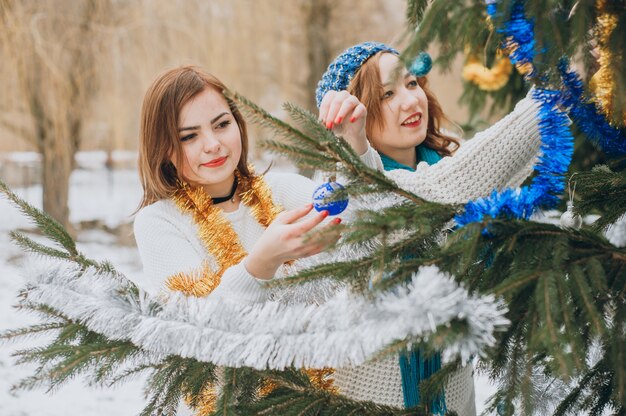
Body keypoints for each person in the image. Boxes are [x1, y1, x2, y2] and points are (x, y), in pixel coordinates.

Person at [316, 42, 545, 415]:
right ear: (354, 114)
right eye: (387, 94)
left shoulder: (445, 161)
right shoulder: (340, 192)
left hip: (454, 394)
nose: (410, 101)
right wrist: (554, 94)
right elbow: (404, 202)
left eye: (411, 84)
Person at [133, 66, 344, 306]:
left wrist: (352, 143)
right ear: (162, 148)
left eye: (221, 124)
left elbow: (366, 220)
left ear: (238, 123)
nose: (213, 144)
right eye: (189, 137)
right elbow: (196, 326)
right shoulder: (158, 222)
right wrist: (260, 265)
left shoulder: (281, 190)